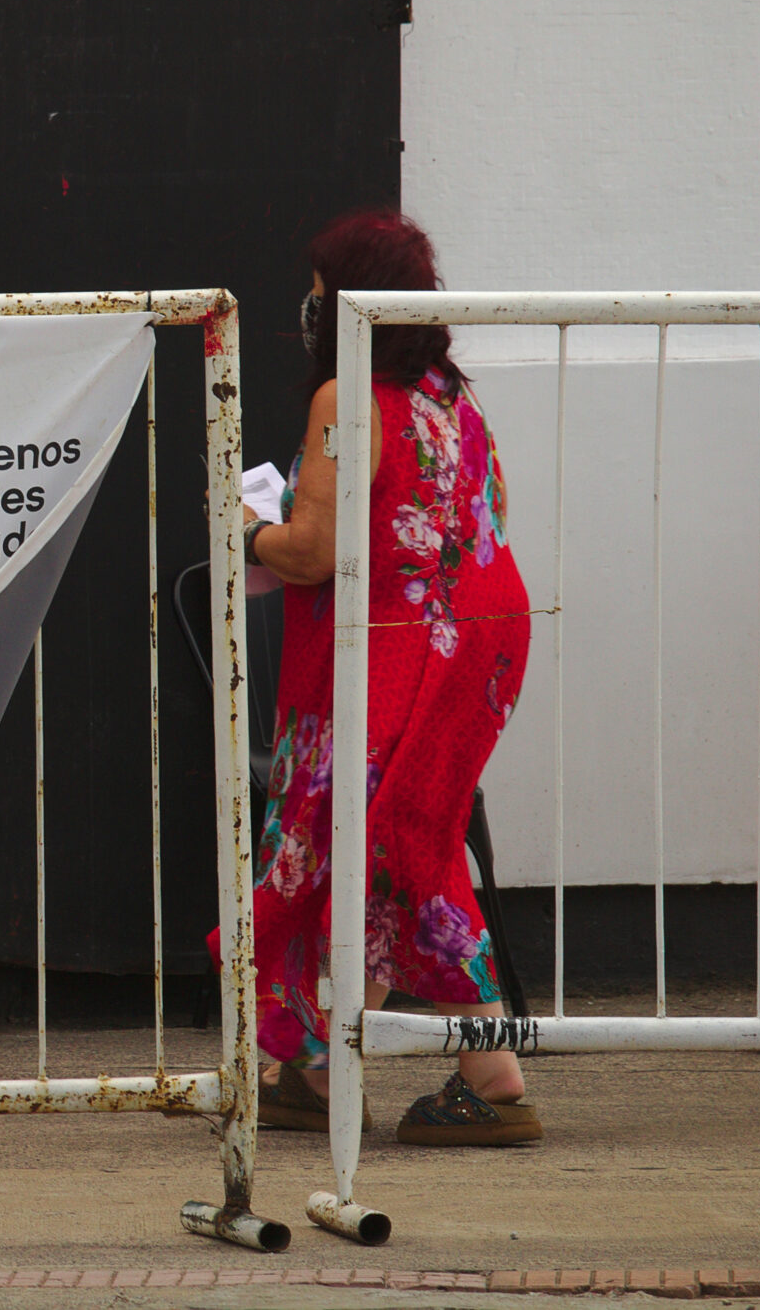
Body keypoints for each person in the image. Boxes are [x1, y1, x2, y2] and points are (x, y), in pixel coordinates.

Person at [241, 209, 541, 1145]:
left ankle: (487, 1080)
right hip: (476, 643)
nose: (312, 305)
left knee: (378, 839)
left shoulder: (347, 396)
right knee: (396, 838)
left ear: (350, 299)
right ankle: (328, 1062)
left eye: (322, 290)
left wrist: (243, 528)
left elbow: (315, 551)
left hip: (394, 650)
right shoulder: (456, 395)